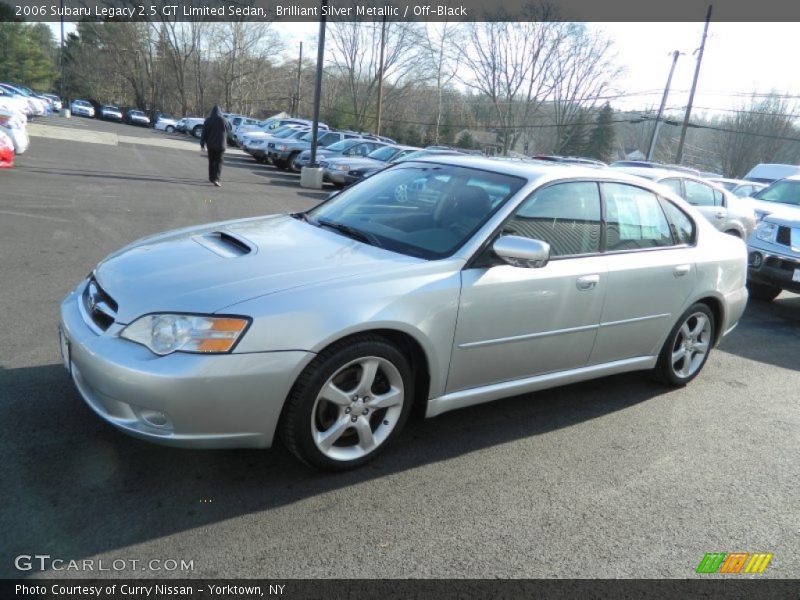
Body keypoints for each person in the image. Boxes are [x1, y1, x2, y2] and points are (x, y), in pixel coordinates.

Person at [200, 105, 229, 187]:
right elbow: (229, 129)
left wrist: (202, 144)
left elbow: (204, 134)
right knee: (219, 162)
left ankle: (211, 177)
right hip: (221, 145)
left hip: (211, 145)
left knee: (211, 161)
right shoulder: (224, 120)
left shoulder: (208, 120)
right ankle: (216, 179)